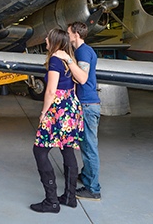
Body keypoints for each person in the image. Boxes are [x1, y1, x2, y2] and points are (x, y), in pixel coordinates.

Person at [30, 28, 84, 213]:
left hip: (58, 110)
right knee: (68, 151)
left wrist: (44, 112)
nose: (45, 39)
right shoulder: (69, 59)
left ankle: (51, 201)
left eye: (47, 37)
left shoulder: (54, 60)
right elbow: (80, 80)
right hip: (70, 109)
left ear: (53, 41)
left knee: (40, 151)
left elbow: (51, 91)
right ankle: (70, 197)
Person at [65, 22, 102, 201]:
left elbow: (82, 77)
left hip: (87, 105)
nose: (67, 35)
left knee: (89, 147)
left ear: (76, 34)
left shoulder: (82, 52)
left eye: (68, 32)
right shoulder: (85, 51)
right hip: (87, 103)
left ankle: (93, 189)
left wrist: (67, 60)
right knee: (86, 145)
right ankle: (87, 176)